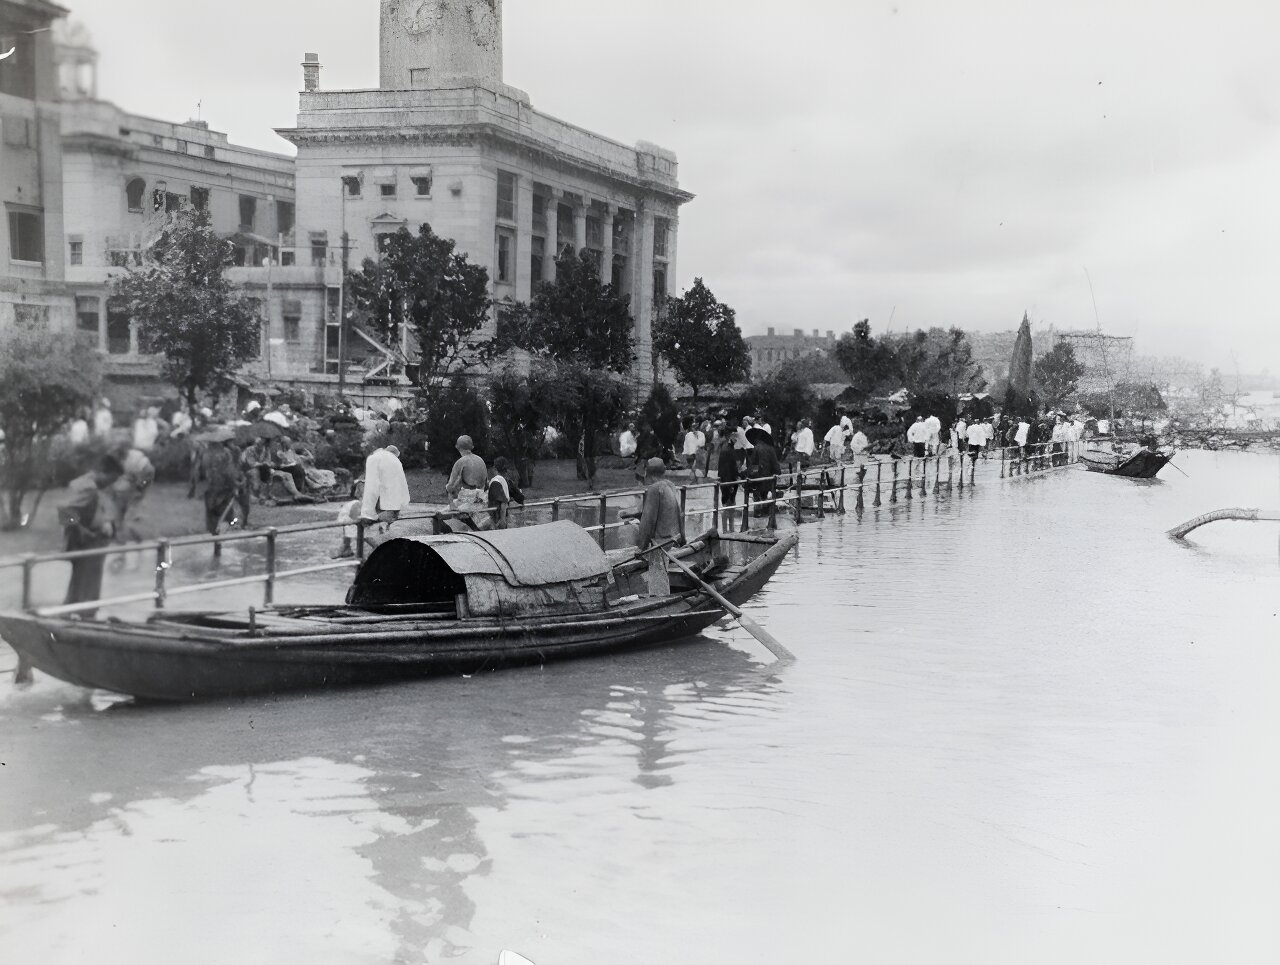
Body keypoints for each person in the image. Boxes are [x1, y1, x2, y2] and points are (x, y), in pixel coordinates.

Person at [57, 455, 124, 618]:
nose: (112, 482)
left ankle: (72, 612)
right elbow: (65, 511)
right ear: (102, 472)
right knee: (88, 581)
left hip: (89, 538)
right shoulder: (88, 488)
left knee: (81, 580)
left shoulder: (87, 483)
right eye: (111, 478)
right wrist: (83, 531)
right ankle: (85, 616)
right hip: (88, 541)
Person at [626, 457, 683, 551]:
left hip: (662, 545)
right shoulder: (670, 485)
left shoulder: (655, 489)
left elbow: (648, 522)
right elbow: (677, 514)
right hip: (675, 540)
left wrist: (641, 549)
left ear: (647, 472)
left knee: (630, 531)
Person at [446, 435, 489, 526]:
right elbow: (486, 483)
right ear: (471, 446)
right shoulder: (481, 460)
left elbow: (450, 487)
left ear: (458, 447)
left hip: (469, 500)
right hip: (483, 499)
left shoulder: (461, 462)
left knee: (438, 516)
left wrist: (451, 504)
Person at [487, 456, 526, 530]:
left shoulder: (496, 482)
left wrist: (502, 520)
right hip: (503, 515)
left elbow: (503, 502)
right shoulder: (508, 481)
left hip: (496, 517)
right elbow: (520, 497)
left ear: (495, 468)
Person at [332, 479, 365, 558]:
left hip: (351, 524)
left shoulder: (362, 503)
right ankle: (347, 548)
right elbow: (356, 518)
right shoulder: (356, 503)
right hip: (350, 524)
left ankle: (347, 548)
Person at [716, 432, 743, 525]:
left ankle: (729, 527)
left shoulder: (729, 448)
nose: (737, 441)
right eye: (736, 438)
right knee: (728, 503)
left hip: (728, 479)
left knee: (728, 503)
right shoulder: (727, 450)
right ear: (731, 437)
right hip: (728, 480)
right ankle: (727, 529)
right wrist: (730, 484)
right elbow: (727, 469)